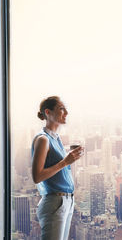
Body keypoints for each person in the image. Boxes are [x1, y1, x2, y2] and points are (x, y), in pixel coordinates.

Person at [31, 96, 83, 240]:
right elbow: (37, 176)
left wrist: (69, 158)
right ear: (48, 112)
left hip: (66, 201)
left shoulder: (56, 138)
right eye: (61, 108)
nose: (66, 112)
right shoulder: (43, 139)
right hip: (55, 203)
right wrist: (65, 162)